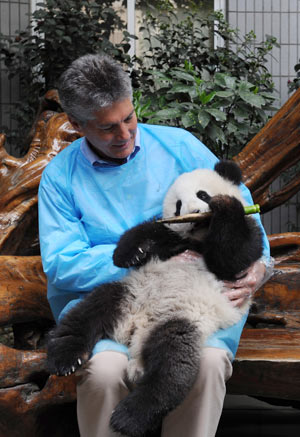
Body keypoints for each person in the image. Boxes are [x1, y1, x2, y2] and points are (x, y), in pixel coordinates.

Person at [38, 53, 273, 437]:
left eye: (129, 118)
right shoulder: (60, 177)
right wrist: (148, 253)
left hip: (194, 299)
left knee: (207, 363)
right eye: (108, 128)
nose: (126, 134)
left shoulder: (180, 145)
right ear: (77, 125)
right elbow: (63, 264)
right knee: (103, 372)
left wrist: (261, 265)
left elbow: (242, 209)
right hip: (112, 299)